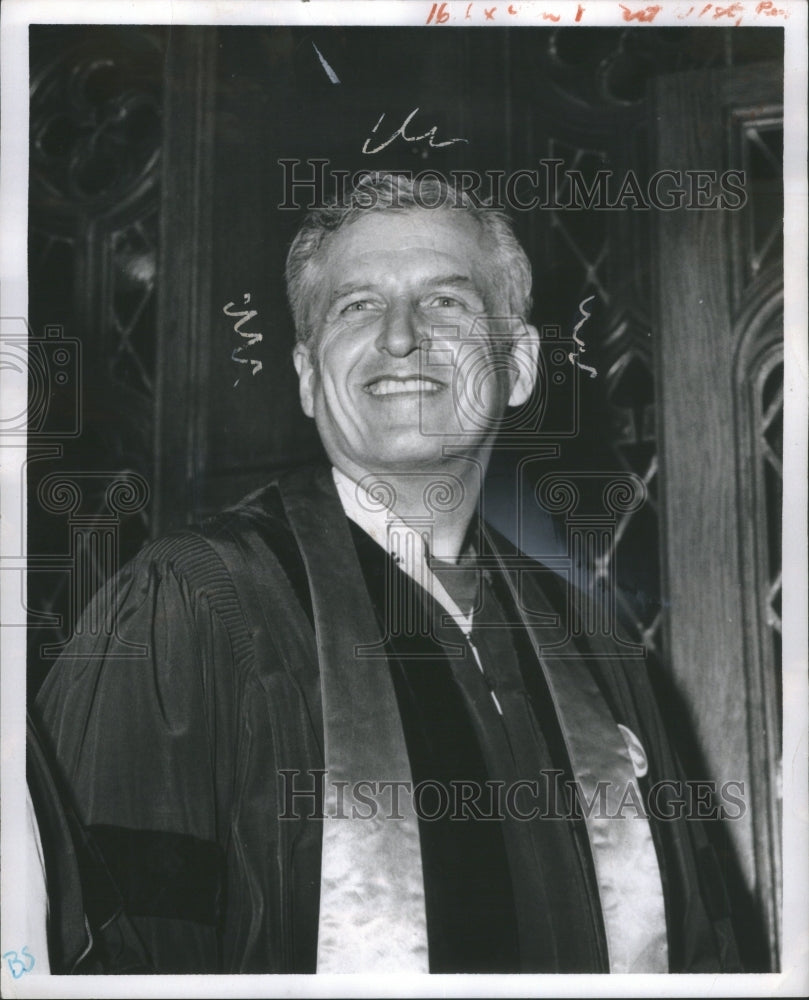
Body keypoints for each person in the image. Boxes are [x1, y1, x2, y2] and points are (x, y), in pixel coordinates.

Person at [33, 173, 741, 975]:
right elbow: (103, 956)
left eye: (448, 302)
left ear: (519, 365)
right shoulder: (193, 605)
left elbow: (702, 954)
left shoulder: (596, 654)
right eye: (356, 305)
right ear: (307, 374)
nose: (400, 336)